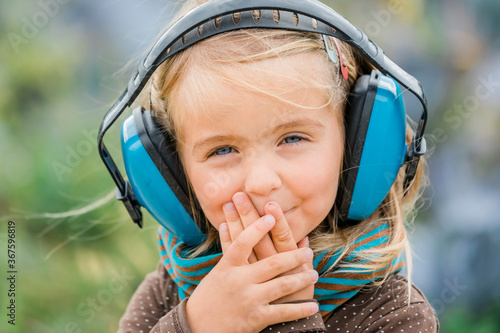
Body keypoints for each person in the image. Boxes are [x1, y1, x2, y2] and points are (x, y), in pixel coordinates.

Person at [113, 0, 439, 332]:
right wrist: (196, 325)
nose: (260, 181)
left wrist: (291, 319)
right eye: (222, 149)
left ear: (356, 147)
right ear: (174, 172)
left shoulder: (395, 313)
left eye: (292, 138)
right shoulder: (168, 290)